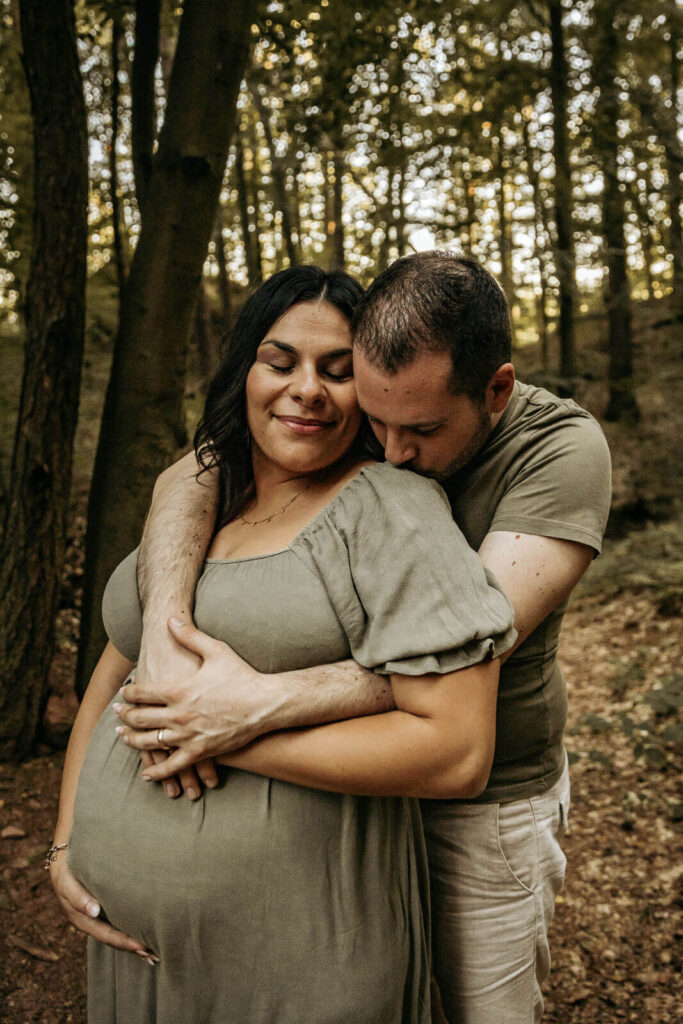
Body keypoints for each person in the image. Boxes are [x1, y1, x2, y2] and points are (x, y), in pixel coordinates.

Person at [108, 252, 612, 1023]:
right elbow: (198, 467)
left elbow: (463, 657)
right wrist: (164, 627)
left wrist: (245, 710)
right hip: (351, 792)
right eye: (375, 421)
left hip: (484, 803)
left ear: (496, 389)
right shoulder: (386, 398)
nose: (393, 450)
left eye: (421, 429)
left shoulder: (559, 453)